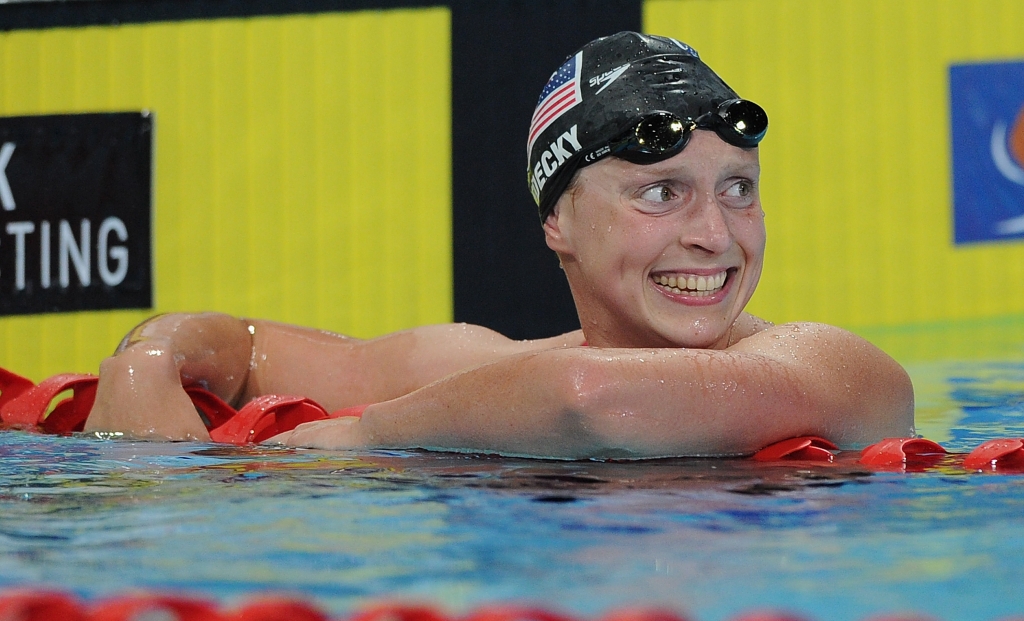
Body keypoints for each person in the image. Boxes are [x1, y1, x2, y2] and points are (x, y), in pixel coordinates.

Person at [84, 32, 914, 457]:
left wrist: (364, 438)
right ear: (558, 221)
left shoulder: (826, 367)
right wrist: (143, 366)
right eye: (662, 192)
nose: (714, 235)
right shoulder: (478, 370)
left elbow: (592, 399)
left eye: (739, 189)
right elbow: (241, 345)